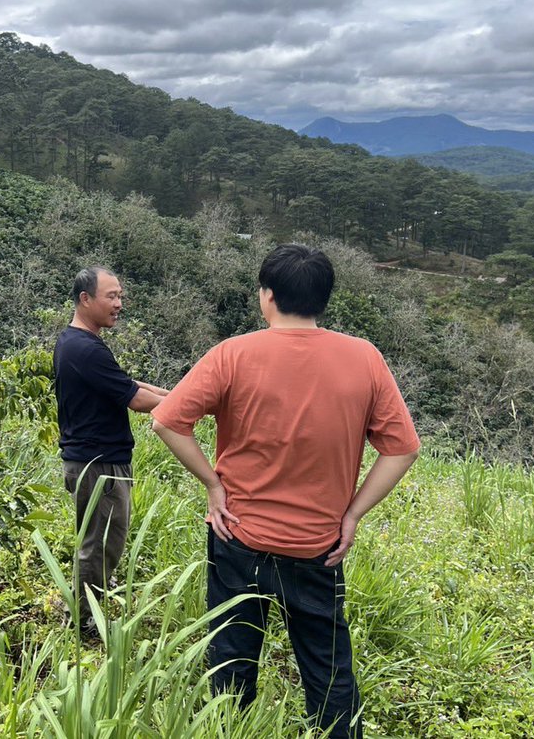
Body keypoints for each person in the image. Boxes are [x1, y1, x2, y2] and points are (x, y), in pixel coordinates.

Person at [150, 244, 420, 738]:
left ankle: (229, 731)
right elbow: (402, 449)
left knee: (231, 659)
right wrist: (352, 514)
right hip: (318, 546)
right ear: (323, 299)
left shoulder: (233, 353)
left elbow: (167, 422)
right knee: (329, 670)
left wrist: (213, 484)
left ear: (267, 296)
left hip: (238, 536)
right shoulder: (364, 358)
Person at [54, 266, 167, 632]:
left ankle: (87, 600)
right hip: (98, 464)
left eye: (120, 296)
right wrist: (189, 405)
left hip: (93, 460)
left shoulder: (80, 343)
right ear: (85, 299)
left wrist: (179, 395)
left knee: (100, 539)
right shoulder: (84, 348)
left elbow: (125, 383)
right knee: (102, 542)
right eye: (111, 296)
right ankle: (83, 620)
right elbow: (134, 400)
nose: (119, 304)